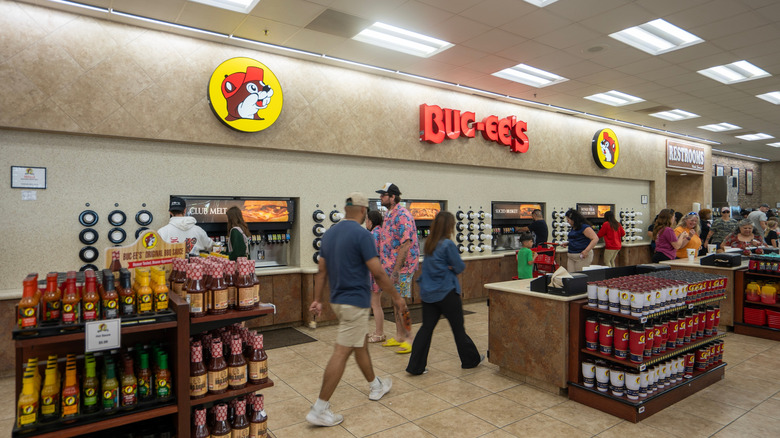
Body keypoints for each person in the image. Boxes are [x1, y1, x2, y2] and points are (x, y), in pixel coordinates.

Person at [306, 192, 407, 427]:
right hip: (355, 302)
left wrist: (317, 300)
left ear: (346, 208)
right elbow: (378, 272)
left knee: (359, 344)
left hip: (338, 301)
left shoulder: (329, 234)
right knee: (342, 352)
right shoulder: (363, 235)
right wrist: (396, 296)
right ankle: (320, 408)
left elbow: (322, 271)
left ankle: (375, 385)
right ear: (363, 211)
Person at [406, 211, 483, 375]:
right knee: (458, 329)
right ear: (449, 226)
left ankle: (415, 366)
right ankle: (470, 360)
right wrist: (450, 267)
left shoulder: (429, 244)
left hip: (428, 294)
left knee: (426, 329)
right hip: (447, 292)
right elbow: (460, 267)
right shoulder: (447, 244)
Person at [376, 182, 420, 354]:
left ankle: (409, 338)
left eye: (383, 195)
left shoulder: (403, 215)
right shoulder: (389, 214)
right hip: (391, 268)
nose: (381, 198)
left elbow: (406, 244)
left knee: (401, 303)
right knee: (396, 301)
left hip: (403, 269)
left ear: (392, 197)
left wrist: (396, 270)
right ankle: (400, 335)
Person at [366, 210, 386, 343]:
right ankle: (378, 331)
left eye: (366, 219)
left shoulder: (373, 234)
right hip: (379, 272)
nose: (365, 222)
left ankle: (379, 333)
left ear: (371, 221)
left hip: (375, 273)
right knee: (376, 303)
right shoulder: (381, 232)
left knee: (376, 304)